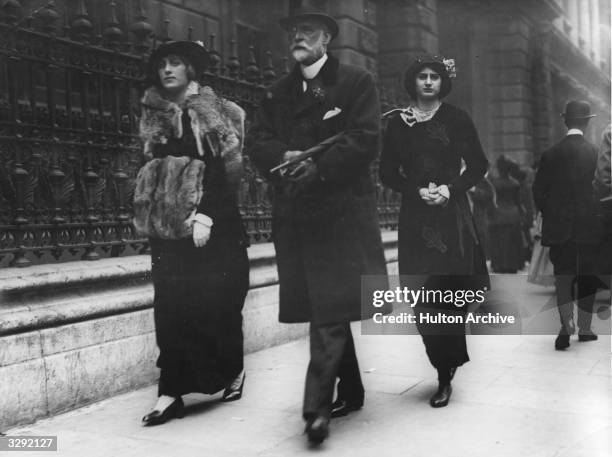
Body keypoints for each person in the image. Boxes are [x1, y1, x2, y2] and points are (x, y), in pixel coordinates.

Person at [247, 6, 387, 444]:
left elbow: (365, 139)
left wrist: (318, 168)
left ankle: (315, 411)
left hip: (340, 215)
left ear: (327, 38)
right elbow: (258, 140)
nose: (298, 38)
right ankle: (354, 389)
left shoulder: (355, 83)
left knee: (327, 310)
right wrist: (283, 158)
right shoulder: (276, 93)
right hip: (297, 216)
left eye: (307, 31)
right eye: (293, 31)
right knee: (328, 304)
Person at [135, 41, 249, 426]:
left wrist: (207, 216)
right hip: (169, 227)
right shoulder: (152, 112)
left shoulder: (216, 111)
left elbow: (226, 171)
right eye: (162, 64)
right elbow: (149, 167)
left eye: (176, 63)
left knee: (218, 301)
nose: (167, 70)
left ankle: (232, 370)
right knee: (169, 305)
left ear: (191, 69)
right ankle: (170, 391)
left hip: (214, 222)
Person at [380, 54, 489, 408]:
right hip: (415, 218)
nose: (428, 82)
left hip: (451, 218)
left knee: (448, 295)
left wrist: (449, 190)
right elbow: (386, 173)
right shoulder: (398, 123)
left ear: (443, 82)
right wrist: (416, 190)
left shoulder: (457, 119)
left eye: (434, 77)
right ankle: (441, 358)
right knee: (421, 298)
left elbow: (478, 165)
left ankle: (444, 373)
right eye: (422, 76)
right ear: (412, 82)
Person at [532, 100, 600, 350]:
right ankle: (584, 328)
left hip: (560, 228)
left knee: (563, 278)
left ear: (565, 121)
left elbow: (538, 190)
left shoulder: (550, 154)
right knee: (587, 278)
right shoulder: (595, 152)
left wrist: (550, 213)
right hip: (590, 228)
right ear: (587, 121)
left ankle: (565, 326)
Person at [489, 155, 525, 273]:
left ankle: (499, 265)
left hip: (498, 213)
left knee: (499, 241)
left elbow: (491, 201)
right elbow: (518, 201)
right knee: (512, 241)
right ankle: (513, 265)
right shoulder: (515, 183)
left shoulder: (494, 183)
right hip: (513, 213)